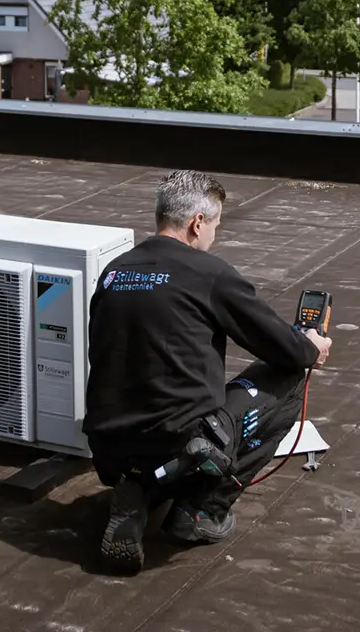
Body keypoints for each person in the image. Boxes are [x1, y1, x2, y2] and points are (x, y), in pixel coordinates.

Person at [84, 170, 332, 573]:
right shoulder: (208, 274)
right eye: (215, 225)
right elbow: (284, 349)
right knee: (288, 379)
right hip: (181, 448)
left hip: (108, 448)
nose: (214, 235)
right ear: (197, 222)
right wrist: (311, 347)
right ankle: (201, 510)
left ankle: (138, 490)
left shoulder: (114, 272)